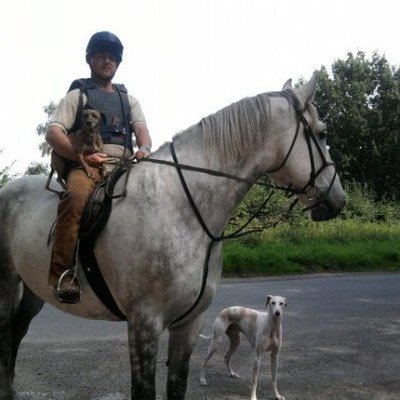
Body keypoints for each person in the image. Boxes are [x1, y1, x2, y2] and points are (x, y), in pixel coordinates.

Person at [46, 31, 152, 304]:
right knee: (76, 197)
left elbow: (142, 131)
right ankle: (63, 275)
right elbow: (53, 133)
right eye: (102, 56)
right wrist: (83, 156)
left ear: (118, 62)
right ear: (90, 60)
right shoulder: (77, 95)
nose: (108, 61)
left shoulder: (128, 100)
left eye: (112, 57)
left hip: (125, 164)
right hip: (88, 165)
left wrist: (145, 149)